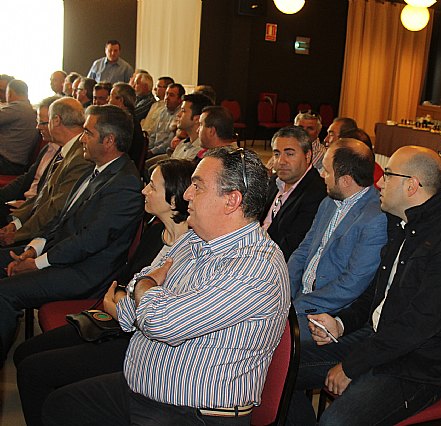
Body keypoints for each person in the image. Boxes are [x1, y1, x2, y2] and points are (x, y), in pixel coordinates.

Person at [42, 147, 289, 426]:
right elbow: (130, 307)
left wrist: (147, 288)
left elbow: (160, 320)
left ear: (231, 200)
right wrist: (145, 298)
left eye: (197, 186)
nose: (187, 195)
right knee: (60, 406)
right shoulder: (193, 239)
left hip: (194, 412)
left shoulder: (256, 266)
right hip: (144, 393)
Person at [287, 145, 441, 425]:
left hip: (420, 365)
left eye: (388, 175)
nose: (379, 182)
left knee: (336, 423)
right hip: (380, 339)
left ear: (411, 185)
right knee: (277, 365)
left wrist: (351, 367)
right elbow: (377, 292)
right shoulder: (402, 221)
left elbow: (415, 327)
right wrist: (341, 323)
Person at [14, 159, 195, 426]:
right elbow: (124, 285)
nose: (144, 190)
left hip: (136, 342)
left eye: (152, 186)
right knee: (24, 353)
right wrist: (124, 300)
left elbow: (155, 310)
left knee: (33, 371)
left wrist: (125, 301)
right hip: (113, 321)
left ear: (174, 199)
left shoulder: (190, 249)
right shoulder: (155, 233)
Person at [0, 104, 144, 365]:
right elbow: (60, 219)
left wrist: (36, 263)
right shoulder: (95, 169)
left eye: (88, 132)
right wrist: (33, 249)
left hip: (84, 274)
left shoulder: (125, 184)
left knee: (4, 292)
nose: (82, 139)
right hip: (61, 255)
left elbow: (89, 240)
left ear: (109, 140)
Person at [287, 138, 387, 342]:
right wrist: (283, 293)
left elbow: (351, 284)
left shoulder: (375, 218)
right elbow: (304, 250)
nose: (321, 175)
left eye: (326, 171)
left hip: (326, 312)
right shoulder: (329, 202)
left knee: (267, 337)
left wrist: (295, 308)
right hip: (298, 298)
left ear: (346, 180)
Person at [0, 97, 92, 246]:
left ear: (56, 120)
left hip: (47, 237)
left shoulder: (80, 156)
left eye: (46, 121)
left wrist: (18, 234)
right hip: (33, 223)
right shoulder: (65, 150)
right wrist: (15, 224)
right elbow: (43, 195)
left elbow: (56, 207)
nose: (39, 127)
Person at [260, 126, 326, 260]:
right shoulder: (273, 182)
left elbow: (292, 247)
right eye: (277, 154)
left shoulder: (317, 193)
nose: (281, 161)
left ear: (308, 156)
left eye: (289, 154)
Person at [0, 96, 61, 224]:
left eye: (43, 123)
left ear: (57, 122)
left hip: (33, 212)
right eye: (38, 122)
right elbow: (28, 177)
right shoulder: (48, 147)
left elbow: (52, 199)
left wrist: (27, 207)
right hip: (25, 202)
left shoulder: (63, 156)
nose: (38, 127)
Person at [0, 79, 39, 174]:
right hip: (17, 163)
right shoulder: (28, 108)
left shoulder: (17, 108)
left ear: (10, 93)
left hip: (7, 163)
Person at [108, 83, 146, 169]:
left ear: (120, 100)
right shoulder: (129, 117)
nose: (108, 100)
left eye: (110, 96)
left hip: (123, 166)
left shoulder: (123, 121)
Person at [147, 83, 184, 157]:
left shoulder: (181, 115)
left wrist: (152, 152)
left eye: (171, 95)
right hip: (154, 149)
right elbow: (153, 135)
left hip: (166, 152)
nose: (167, 98)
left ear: (180, 99)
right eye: (166, 94)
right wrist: (147, 148)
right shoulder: (162, 112)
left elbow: (169, 142)